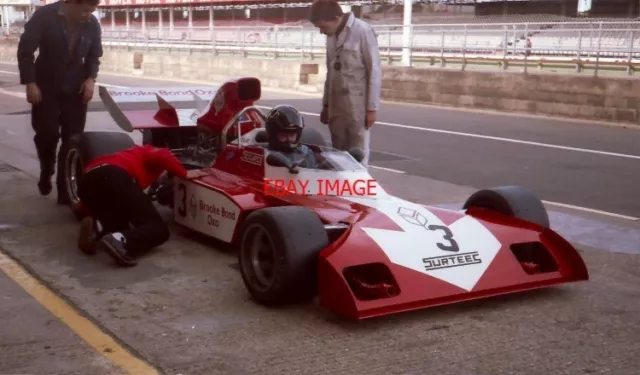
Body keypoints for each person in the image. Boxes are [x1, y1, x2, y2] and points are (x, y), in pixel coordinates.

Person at [17, 0, 103, 204]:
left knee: (72, 138)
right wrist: (30, 82)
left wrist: (90, 78)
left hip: (75, 88)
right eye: (85, 10)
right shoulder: (44, 16)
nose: (88, 15)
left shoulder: (92, 24)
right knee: (47, 133)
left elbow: (94, 56)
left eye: (92, 10)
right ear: (71, 3)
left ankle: (65, 189)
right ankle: (47, 168)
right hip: (45, 85)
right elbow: (25, 51)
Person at [76, 145, 208, 267]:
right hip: (115, 176)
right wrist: (183, 173)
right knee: (158, 229)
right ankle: (119, 240)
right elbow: (162, 156)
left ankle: (97, 226)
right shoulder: (146, 151)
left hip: (87, 182)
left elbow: (90, 200)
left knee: (121, 222)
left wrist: (86, 211)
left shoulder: (123, 155)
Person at [309, 0, 381, 167]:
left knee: (358, 152)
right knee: (338, 152)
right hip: (336, 105)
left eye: (323, 27)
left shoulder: (362, 31)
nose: (321, 32)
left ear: (336, 18)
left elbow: (374, 71)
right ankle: (340, 190)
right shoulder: (331, 36)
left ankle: (359, 189)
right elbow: (330, 72)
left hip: (357, 104)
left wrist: (372, 109)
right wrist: (326, 105)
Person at [264, 104, 318, 169]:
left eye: (292, 135)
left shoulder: (304, 151)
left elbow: (316, 170)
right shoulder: (269, 155)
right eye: (283, 135)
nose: (289, 139)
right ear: (273, 135)